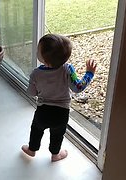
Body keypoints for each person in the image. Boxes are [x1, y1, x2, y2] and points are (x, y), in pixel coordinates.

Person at [21, 34, 97, 162]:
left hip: (42, 112)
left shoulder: (36, 74)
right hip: (61, 113)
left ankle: (32, 149)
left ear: (43, 58)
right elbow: (78, 87)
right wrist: (89, 74)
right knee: (57, 135)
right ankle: (55, 155)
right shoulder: (68, 69)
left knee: (36, 130)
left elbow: (31, 92)